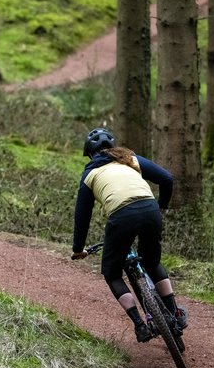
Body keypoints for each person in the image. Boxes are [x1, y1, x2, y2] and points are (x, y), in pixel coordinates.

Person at [71, 128, 187, 342]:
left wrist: (78, 248)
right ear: (113, 146)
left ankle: (140, 325)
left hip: (121, 217)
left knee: (112, 273)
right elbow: (167, 179)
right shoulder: (129, 159)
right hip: (150, 209)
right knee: (152, 262)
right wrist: (161, 207)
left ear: (89, 154)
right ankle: (175, 313)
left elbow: (82, 216)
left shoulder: (90, 174)